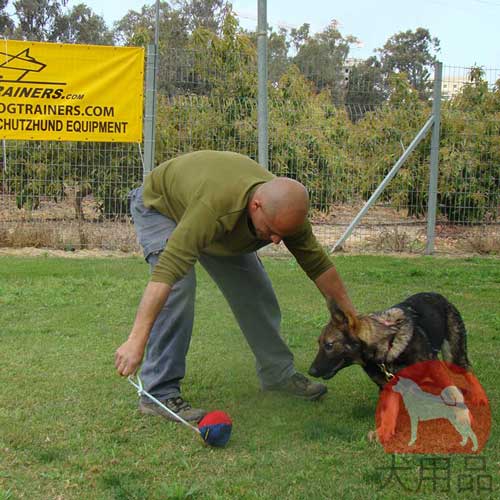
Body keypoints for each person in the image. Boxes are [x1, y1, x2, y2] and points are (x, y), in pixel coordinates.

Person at [115, 150, 356, 422]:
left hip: (219, 221)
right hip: (162, 208)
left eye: (283, 235)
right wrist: (136, 340)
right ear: (256, 206)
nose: (277, 241)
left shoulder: (286, 213)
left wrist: (352, 320)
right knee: (179, 288)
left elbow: (319, 267)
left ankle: (278, 375)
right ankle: (158, 393)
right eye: (273, 230)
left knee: (255, 291)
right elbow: (166, 276)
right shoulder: (215, 207)